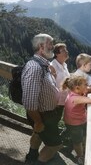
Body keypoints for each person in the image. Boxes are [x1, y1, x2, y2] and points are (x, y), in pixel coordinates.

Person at [22, 33, 62, 164]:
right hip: (42, 116)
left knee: (38, 134)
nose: (53, 46)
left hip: (44, 114)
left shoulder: (44, 65)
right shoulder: (34, 68)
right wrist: (38, 122)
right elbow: (29, 102)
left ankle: (32, 157)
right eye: (50, 43)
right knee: (55, 145)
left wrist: (54, 76)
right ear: (41, 46)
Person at [62, 75, 91, 165]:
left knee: (82, 136)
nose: (87, 86)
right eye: (85, 84)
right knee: (77, 141)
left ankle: (70, 148)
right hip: (73, 124)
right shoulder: (75, 98)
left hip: (80, 120)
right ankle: (80, 157)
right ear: (77, 87)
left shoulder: (79, 91)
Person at [50, 43, 70, 108]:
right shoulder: (52, 67)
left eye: (66, 50)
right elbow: (50, 86)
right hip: (56, 104)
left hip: (64, 101)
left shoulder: (64, 65)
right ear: (56, 54)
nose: (66, 51)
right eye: (64, 51)